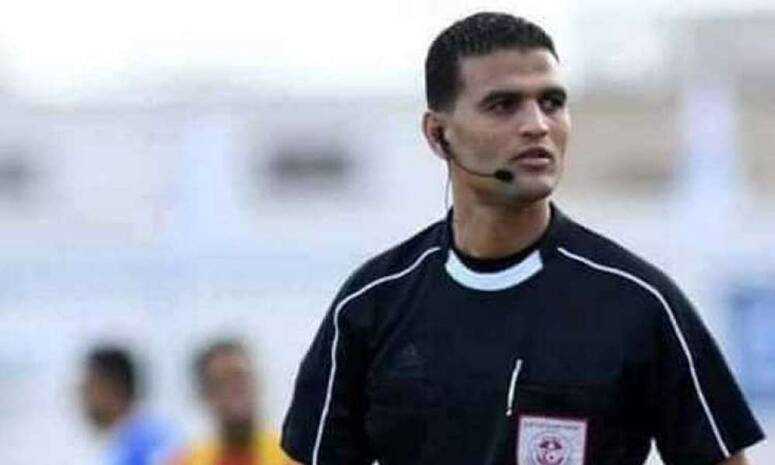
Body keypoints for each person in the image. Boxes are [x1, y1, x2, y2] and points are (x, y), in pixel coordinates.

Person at [280, 11, 765, 465]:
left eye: (552, 102)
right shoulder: (370, 304)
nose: (537, 125)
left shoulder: (640, 302)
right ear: (438, 134)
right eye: (503, 105)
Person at [170, 339, 290, 465]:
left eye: (240, 377)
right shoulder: (185, 461)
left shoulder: (291, 458)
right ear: (205, 395)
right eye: (222, 382)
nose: (235, 389)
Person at [81, 345, 178, 465]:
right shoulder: (122, 444)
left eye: (89, 387)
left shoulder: (151, 441)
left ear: (112, 388)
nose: (83, 399)